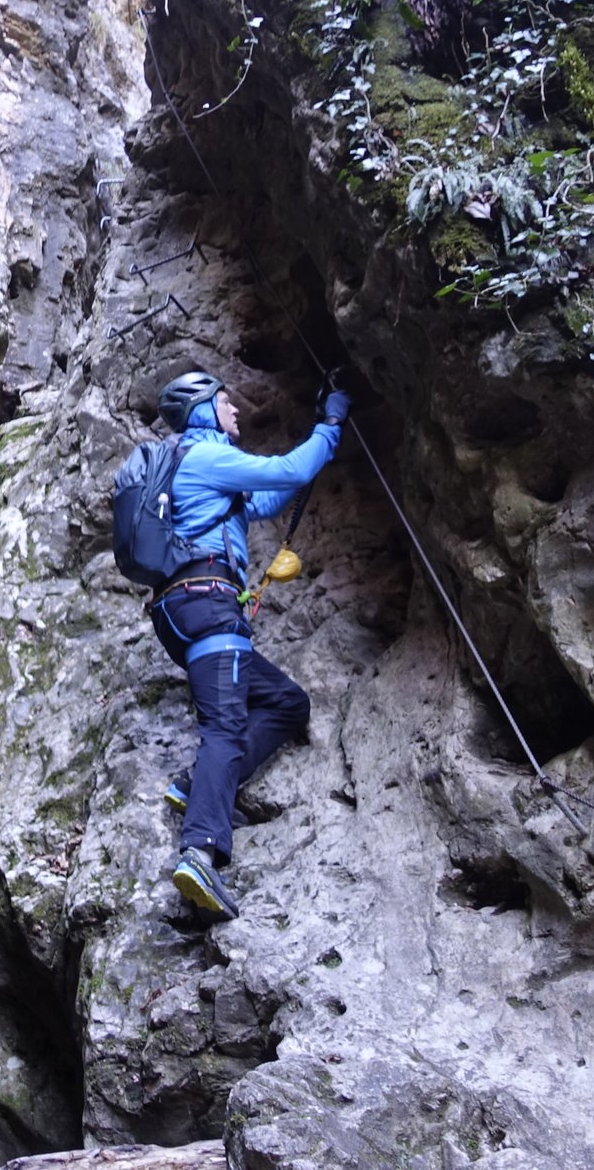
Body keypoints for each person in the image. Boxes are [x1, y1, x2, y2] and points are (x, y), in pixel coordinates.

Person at [151, 369, 349, 921]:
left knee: (288, 703)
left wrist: (319, 445)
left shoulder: (198, 474)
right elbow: (289, 467)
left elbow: (268, 495)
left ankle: (199, 786)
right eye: (224, 402)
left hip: (183, 612)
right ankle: (200, 850)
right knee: (224, 727)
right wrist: (331, 425)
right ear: (203, 411)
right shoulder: (204, 457)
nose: (234, 410)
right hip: (209, 606)